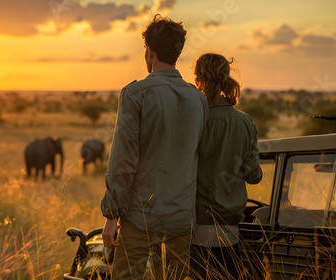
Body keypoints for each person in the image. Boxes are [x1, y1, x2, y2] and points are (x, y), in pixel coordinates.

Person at [101, 15, 208, 280]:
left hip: (141, 216)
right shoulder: (198, 98)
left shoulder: (135, 94)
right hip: (183, 217)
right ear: (177, 51)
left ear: (149, 50)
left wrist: (112, 216)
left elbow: (123, 161)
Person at [190, 53, 263, 279]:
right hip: (231, 227)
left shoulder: (195, 119)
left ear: (198, 80)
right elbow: (254, 176)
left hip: (197, 225)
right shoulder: (245, 122)